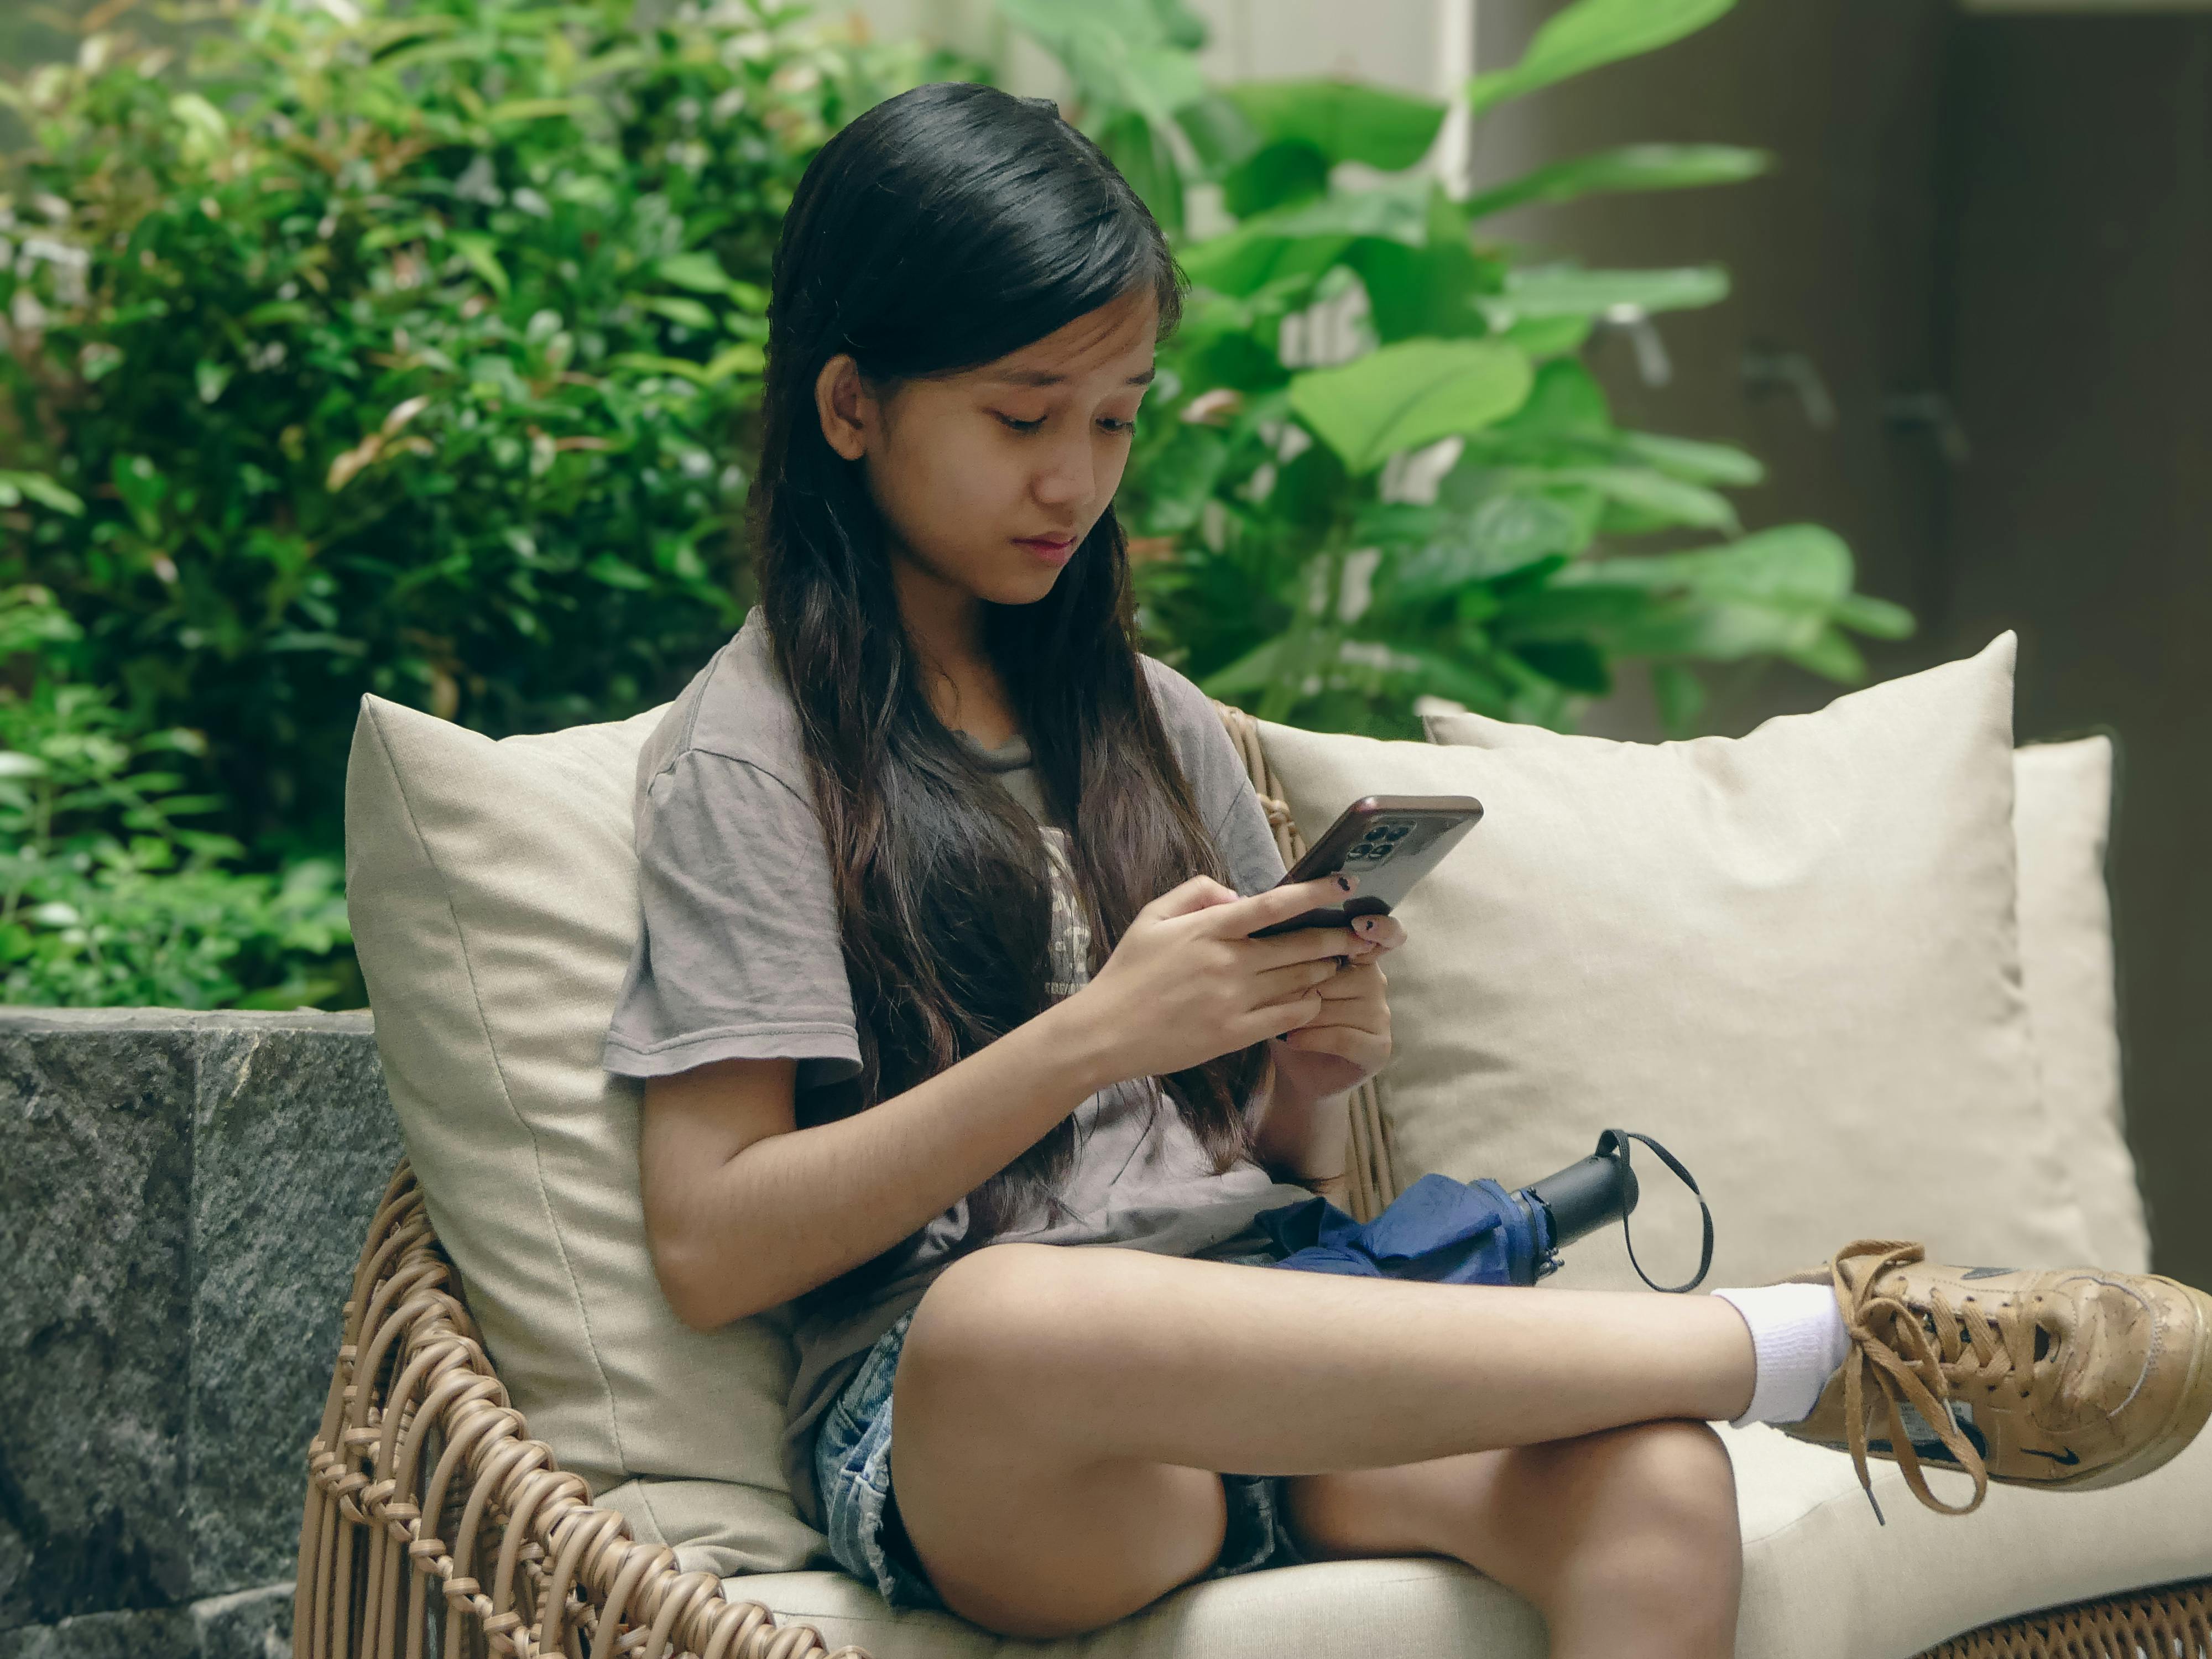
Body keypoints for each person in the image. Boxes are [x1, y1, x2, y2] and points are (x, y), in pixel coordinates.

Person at [602, 82, 2211, 1658]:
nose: (1075, 482)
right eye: (1024, 417)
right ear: (850, 405)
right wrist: (1098, 1031)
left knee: (1653, 1484)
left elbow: (1260, 1166)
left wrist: (1302, 1069)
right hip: (997, 1439)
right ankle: (1800, 1344)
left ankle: (1765, 1362)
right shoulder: (757, 756)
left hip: (1272, 1337)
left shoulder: (1149, 728)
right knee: (1001, 1316)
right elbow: (716, 1239)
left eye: (1116, 419)